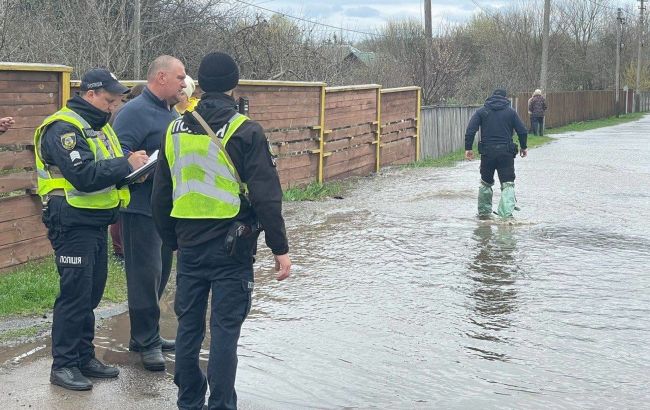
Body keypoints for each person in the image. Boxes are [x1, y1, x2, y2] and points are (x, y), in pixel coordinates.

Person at [151, 51, 292, 410]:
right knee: (225, 332)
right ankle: (222, 405)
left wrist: (173, 242)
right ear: (234, 84)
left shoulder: (174, 129)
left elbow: (160, 196)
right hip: (233, 247)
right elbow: (266, 197)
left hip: (189, 246)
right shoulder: (245, 129)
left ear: (199, 82)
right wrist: (280, 249)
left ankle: (188, 401)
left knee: (188, 329)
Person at [33, 69, 149, 391]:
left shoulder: (98, 128)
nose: (114, 107)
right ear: (91, 94)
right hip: (70, 222)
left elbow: (106, 169)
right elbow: (82, 174)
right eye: (110, 100)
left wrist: (133, 168)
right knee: (75, 295)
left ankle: (84, 356)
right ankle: (64, 364)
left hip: (94, 221)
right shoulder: (63, 128)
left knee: (91, 293)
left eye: (116, 102)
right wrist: (126, 165)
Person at [112, 55, 187, 371]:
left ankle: (146, 334)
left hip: (165, 209)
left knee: (160, 274)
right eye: (180, 77)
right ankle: (146, 342)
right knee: (144, 277)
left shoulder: (168, 112)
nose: (184, 84)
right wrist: (134, 160)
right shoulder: (133, 112)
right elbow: (117, 153)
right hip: (139, 208)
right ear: (161, 77)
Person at [464, 89, 528, 219]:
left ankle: (484, 213)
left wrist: (468, 148)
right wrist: (523, 147)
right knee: (508, 183)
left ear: (491, 97)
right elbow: (522, 131)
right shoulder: (511, 112)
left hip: (487, 153)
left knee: (485, 183)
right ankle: (505, 216)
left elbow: (470, 130)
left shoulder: (482, 111)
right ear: (505, 98)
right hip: (506, 153)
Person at [108, 84, 145, 260]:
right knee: (120, 215)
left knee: (119, 215)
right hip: (124, 167)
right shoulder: (128, 113)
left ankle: (119, 250)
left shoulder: (120, 110)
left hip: (120, 168)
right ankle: (120, 251)